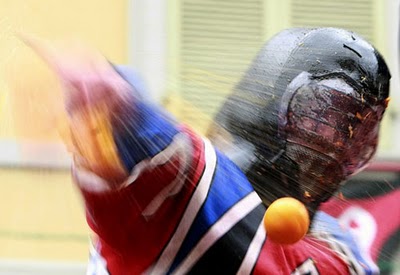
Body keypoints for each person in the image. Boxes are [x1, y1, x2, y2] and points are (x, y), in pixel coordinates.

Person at [23, 27, 391, 274]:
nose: (337, 144)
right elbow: (153, 166)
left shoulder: (342, 252)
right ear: (275, 102)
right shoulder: (198, 196)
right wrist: (117, 113)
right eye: (322, 116)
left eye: (359, 132)